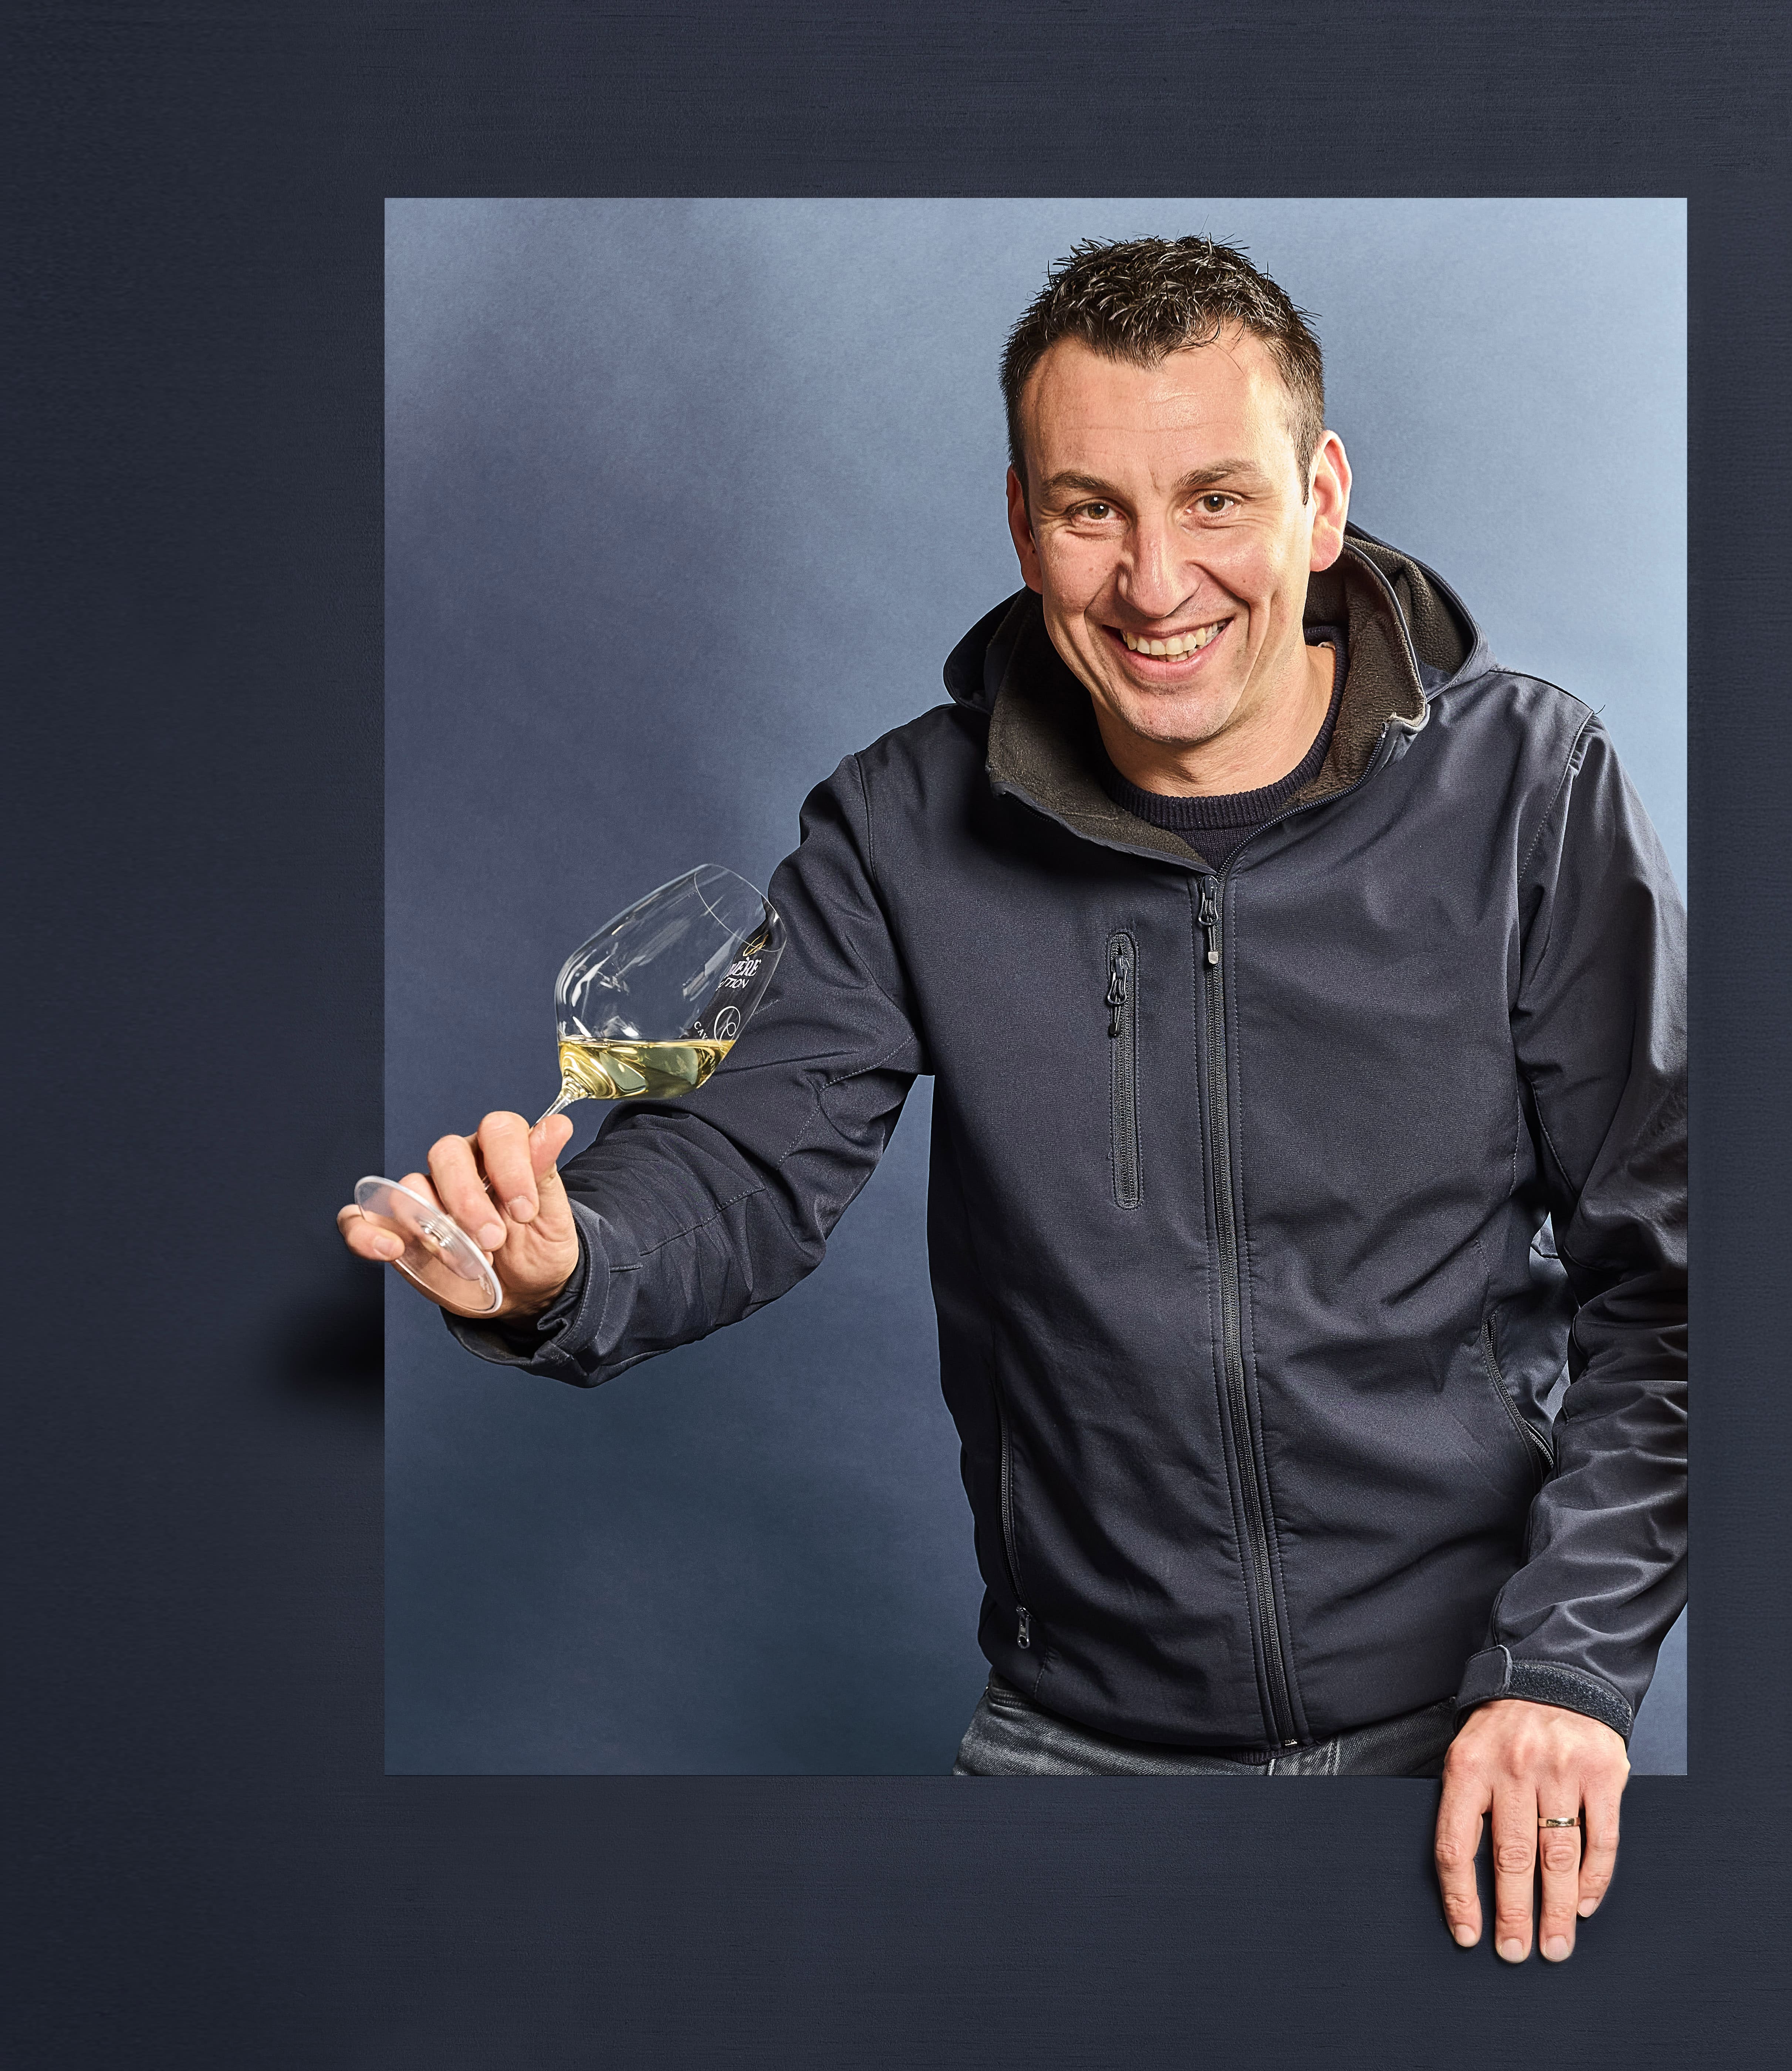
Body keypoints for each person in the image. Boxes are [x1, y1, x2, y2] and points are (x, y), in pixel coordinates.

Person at [341, 236, 1687, 1966]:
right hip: (1071, 1741)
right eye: (1087, 510)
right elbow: (739, 1159)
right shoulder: (900, 826)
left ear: (1319, 499)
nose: (1153, 581)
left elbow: (1671, 1284)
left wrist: (1564, 1666)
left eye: (1214, 499)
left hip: (1476, 1736)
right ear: (1018, 522)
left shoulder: (1530, 789)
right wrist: (566, 1263)